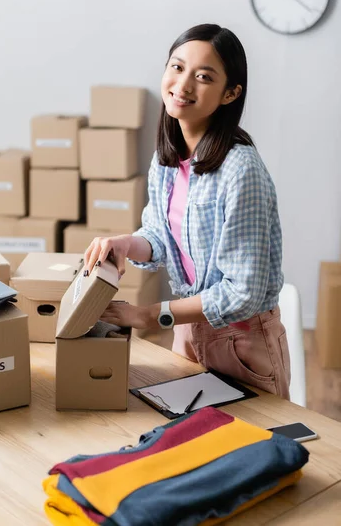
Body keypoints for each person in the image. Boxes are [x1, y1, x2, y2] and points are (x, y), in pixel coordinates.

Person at [83, 23, 291, 399]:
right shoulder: (167, 161)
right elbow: (160, 237)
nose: (184, 84)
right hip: (187, 331)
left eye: (204, 76)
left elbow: (244, 291)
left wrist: (148, 315)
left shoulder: (241, 169)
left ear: (230, 93)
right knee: (188, 445)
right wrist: (127, 244)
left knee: (252, 451)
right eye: (177, 67)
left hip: (241, 342)